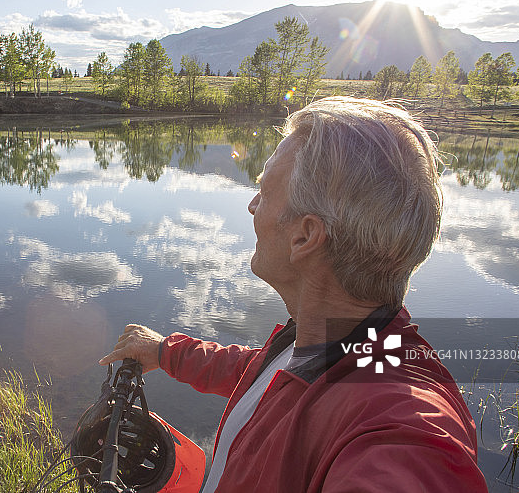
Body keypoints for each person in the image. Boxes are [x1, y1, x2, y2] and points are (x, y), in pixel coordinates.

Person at [99, 96, 487, 492]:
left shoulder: (403, 427)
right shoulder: (330, 341)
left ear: (304, 236)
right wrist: (165, 351)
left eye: (264, 192)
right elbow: (260, 376)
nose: (252, 206)